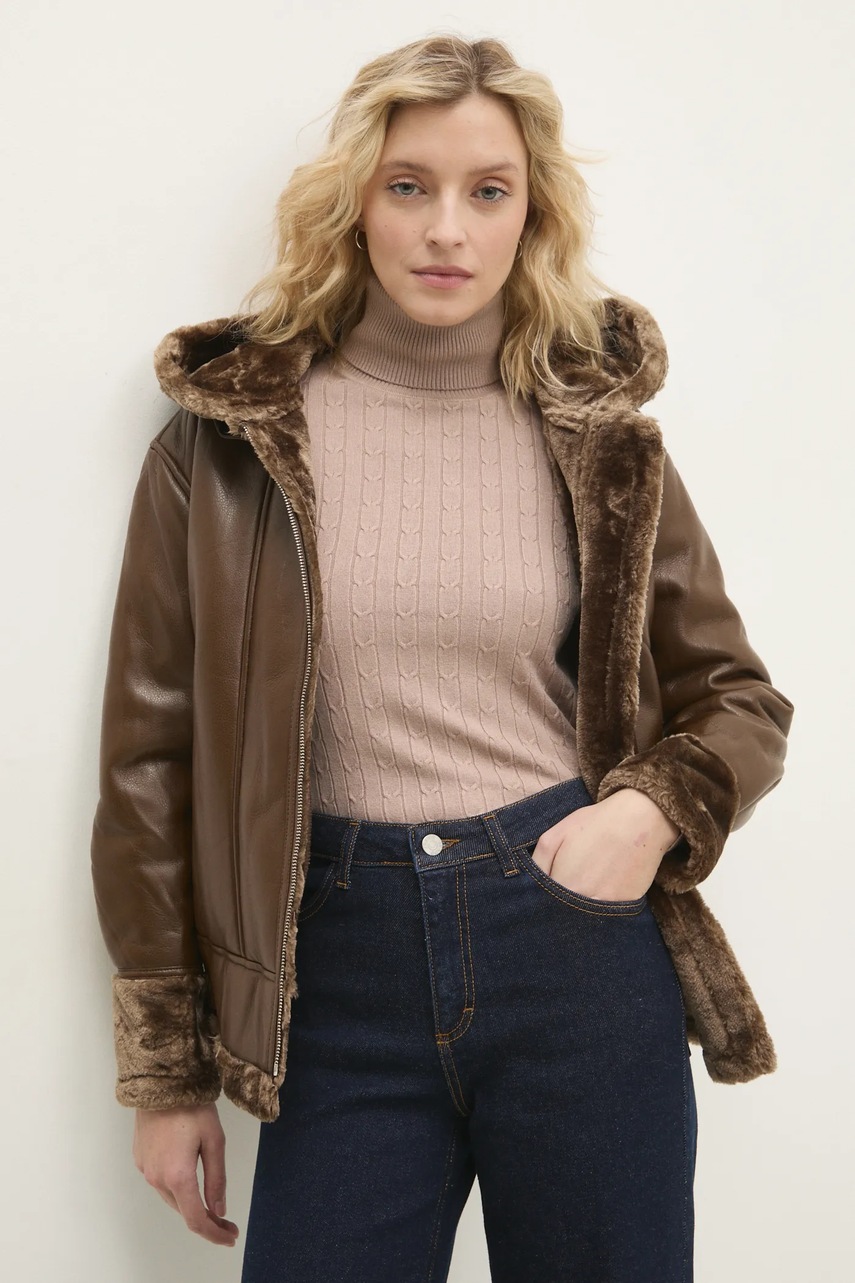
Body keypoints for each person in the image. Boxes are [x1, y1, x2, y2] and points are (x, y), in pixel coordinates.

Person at [90, 33, 794, 1283]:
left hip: (571, 947)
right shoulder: (229, 444)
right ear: (355, 202)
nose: (446, 230)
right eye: (408, 186)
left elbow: (737, 696)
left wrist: (642, 816)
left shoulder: (600, 436)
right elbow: (151, 762)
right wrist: (168, 1071)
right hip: (334, 971)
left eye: (489, 190)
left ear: (533, 215)